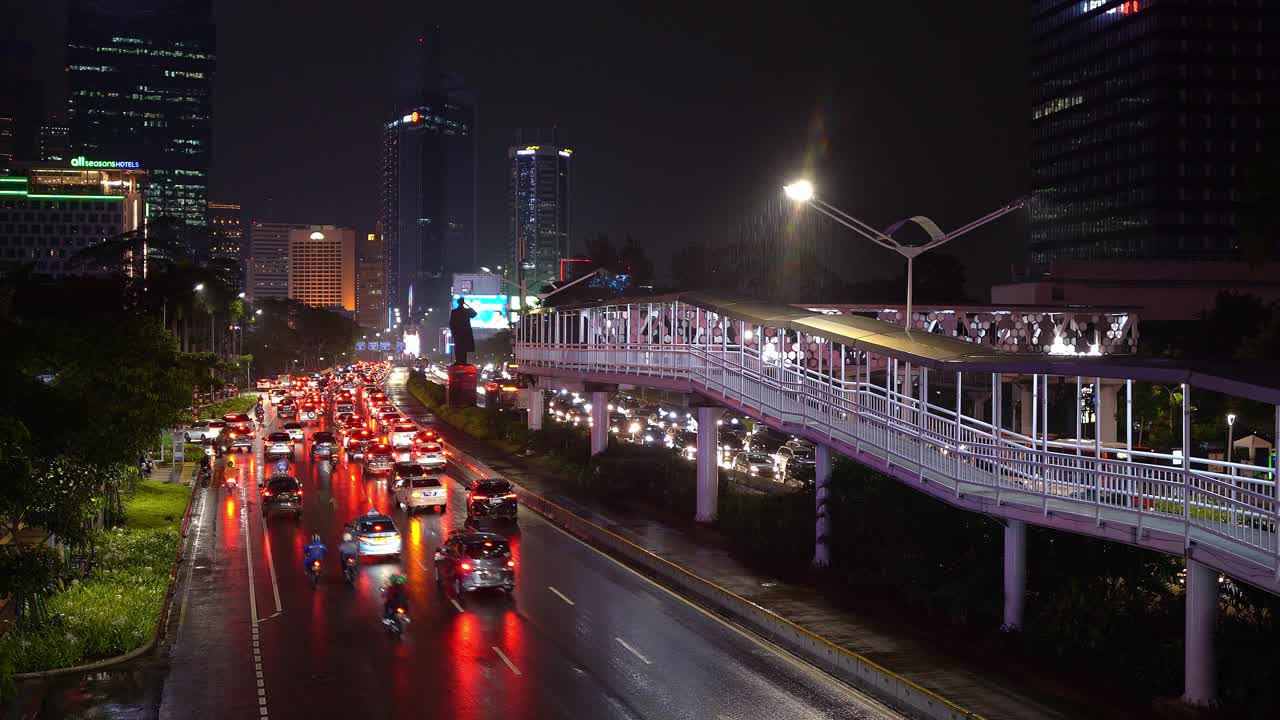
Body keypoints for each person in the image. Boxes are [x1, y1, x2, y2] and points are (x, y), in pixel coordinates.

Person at [448, 297, 477, 366]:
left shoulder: (466, 311)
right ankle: (459, 361)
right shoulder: (455, 311)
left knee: (463, 348)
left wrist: (467, 305)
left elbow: (475, 314)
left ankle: (462, 361)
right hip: (460, 333)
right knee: (459, 347)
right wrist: (453, 332)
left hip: (464, 333)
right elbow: (451, 323)